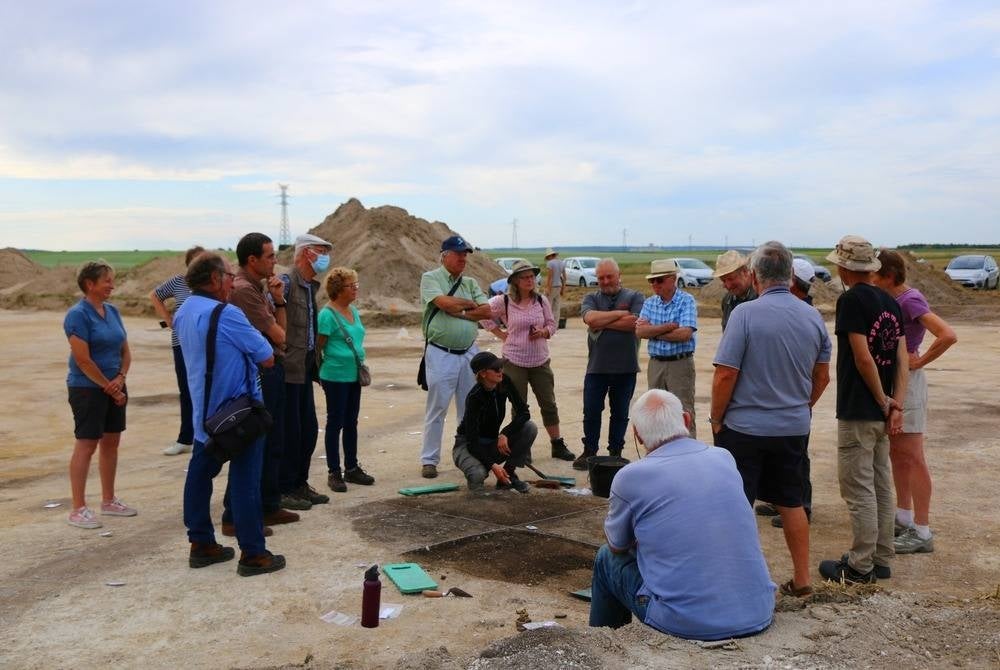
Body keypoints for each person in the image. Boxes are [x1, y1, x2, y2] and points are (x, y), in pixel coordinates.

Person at [589, 389, 775, 640]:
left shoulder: (630, 477)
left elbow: (616, 546)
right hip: (758, 611)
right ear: (686, 420)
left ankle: (602, 644)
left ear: (638, 435)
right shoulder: (724, 458)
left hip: (686, 622)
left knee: (605, 559)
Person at [710, 241, 831, 596]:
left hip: (744, 428)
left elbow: (725, 374)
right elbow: (822, 377)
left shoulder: (744, 315)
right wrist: (800, 406)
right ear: (791, 275)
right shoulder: (813, 316)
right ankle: (803, 579)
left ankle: (740, 580)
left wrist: (717, 419)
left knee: (737, 504)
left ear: (756, 276)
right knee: (792, 502)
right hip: (792, 427)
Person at [174, 252, 285, 576]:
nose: (231, 282)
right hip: (238, 414)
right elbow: (266, 356)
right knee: (245, 481)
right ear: (213, 279)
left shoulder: (182, 312)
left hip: (204, 415)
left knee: (199, 476)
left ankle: (201, 543)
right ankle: (253, 553)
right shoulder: (228, 314)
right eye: (227, 276)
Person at [818, 235, 907, 584]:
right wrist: (895, 403)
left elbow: (862, 356)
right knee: (882, 484)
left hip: (859, 408)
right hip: (883, 412)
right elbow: (901, 359)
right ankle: (883, 557)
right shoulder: (890, 302)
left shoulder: (850, 301)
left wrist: (882, 399)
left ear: (843, 268)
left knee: (858, 489)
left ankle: (859, 565)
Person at [874, 249, 957, 555]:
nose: (869, 279)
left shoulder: (909, 300)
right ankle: (903, 516)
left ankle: (922, 530)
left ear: (889, 276)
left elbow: (947, 334)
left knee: (913, 455)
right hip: (894, 381)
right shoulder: (890, 300)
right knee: (898, 453)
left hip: (908, 384)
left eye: (874, 274)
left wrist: (920, 361)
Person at [224, 233, 299, 535]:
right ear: (252, 260)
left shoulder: (261, 288)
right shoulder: (244, 291)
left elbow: (281, 331)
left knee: (273, 441)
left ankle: (268, 505)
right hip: (259, 373)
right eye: (269, 256)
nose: (275, 261)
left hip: (272, 369)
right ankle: (236, 514)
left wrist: (279, 299)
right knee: (254, 444)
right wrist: (278, 317)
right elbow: (281, 336)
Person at [64, 260, 136, 529]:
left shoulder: (113, 311)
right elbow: (83, 360)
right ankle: (78, 508)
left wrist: (120, 379)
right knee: (87, 443)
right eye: (107, 280)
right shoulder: (77, 315)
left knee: (111, 442)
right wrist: (109, 386)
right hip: (87, 389)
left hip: (114, 385)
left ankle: (108, 501)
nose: (112, 285)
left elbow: (125, 351)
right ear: (90, 284)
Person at [481, 260, 575, 462]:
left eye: (532, 276)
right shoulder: (503, 301)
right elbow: (483, 315)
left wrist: (544, 332)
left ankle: (557, 444)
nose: (530, 280)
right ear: (515, 281)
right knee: (519, 407)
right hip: (514, 361)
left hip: (540, 361)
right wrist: (501, 334)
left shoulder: (541, 301)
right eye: (525, 277)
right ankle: (522, 448)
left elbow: (552, 324)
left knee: (548, 403)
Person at [419, 235, 493, 478]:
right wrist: (468, 306)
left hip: (468, 353)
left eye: (465, 254)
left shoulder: (470, 282)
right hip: (442, 352)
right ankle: (429, 460)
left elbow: (486, 310)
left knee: (469, 408)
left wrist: (458, 308)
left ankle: (467, 455)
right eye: (459, 253)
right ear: (445, 255)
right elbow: (443, 303)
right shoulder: (431, 278)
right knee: (437, 408)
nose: (463, 258)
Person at [278, 233, 333, 510]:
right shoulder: (287, 284)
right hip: (288, 370)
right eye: (321, 251)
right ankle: (285, 487)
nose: (325, 257)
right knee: (290, 432)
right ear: (305, 253)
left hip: (304, 369)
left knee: (308, 430)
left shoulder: (309, 286)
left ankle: (300, 483)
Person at [574, 259, 645, 471]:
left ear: (618, 274)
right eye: (601, 278)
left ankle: (615, 452)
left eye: (609, 276)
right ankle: (590, 450)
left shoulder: (635, 296)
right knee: (591, 411)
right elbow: (590, 319)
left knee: (620, 413)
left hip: (626, 367)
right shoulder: (590, 297)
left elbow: (635, 323)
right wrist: (620, 314)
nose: (605, 281)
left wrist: (603, 320)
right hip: (596, 367)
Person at [770, 255, 820, 529]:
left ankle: (802, 505)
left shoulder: (802, 312)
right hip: (797, 394)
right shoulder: (806, 311)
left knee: (797, 454)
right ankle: (784, 500)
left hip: (794, 395)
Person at [317, 267, 375, 492]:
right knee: (335, 422)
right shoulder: (327, 315)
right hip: (335, 376)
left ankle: (351, 468)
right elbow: (319, 348)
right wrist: (325, 372)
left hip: (353, 376)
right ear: (338, 290)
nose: (356, 289)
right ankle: (334, 472)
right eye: (352, 286)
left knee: (351, 422)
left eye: (356, 285)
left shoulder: (353, 311)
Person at [452, 352, 537, 493]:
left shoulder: (504, 382)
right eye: (496, 369)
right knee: (478, 474)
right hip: (467, 445)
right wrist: (493, 465)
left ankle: (508, 475)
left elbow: (524, 413)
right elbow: (472, 442)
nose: (501, 371)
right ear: (484, 374)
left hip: (491, 441)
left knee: (529, 428)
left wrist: (505, 433)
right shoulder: (475, 397)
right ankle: (477, 487)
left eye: (501, 367)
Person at [149, 245, 204, 456]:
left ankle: (207, 435)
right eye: (196, 261)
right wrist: (167, 318)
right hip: (181, 343)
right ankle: (185, 438)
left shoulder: (209, 285)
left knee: (205, 388)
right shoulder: (178, 282)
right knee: (186, 390)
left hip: (203, 344)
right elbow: (155, 295)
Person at [635, 259, 699, 438]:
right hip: (656, 364)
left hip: (680, 364)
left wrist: (653, 330)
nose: (655, 284)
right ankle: (659, 453)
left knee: (683, 412)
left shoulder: (686, 300)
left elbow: (684, 334)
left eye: (660, 280)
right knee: (654, 413)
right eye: (652, 281)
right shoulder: (649, 303)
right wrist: (669, 326)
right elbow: (640, 331)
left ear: (673, 279)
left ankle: (688, 456)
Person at [714, 250, 757, 331]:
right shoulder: (727, 301)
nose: (728, 285)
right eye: (723, 281)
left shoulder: (761, 297)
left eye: (731, 279)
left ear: (745, 272)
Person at [543, 248, 566, 328]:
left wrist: (548, 288)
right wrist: (563, 288)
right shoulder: (562, 263)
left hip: (552, 287)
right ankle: (555, 326)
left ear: (549, 256)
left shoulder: (550, 263)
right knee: (556, 307)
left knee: (548, 306)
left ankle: (548, 326)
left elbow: (550, 277)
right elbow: (564, 277)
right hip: (559, 286)